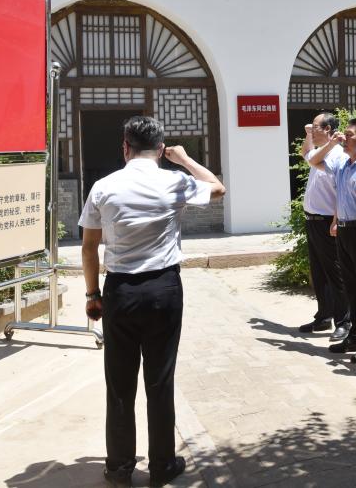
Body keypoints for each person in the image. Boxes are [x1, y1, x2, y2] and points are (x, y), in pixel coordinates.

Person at [80, 116, 226, 487]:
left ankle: (119, 467)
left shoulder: (104, 187)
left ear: (125, 147)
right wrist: (185, 159)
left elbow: (89, 247)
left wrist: (93, 294)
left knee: (119, 383)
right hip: (163, 290)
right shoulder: (175, 181)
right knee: (160, 380)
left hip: (120, 291)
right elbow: (217, 188)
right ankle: (161, 465)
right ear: (161, 150)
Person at [309, 118, 356, 364]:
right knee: (352, 287)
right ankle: (355, 336)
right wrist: (332, 143)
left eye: (350, 135)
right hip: (344, 230)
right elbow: (313, 161)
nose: (345, 137)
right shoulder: (343, 164)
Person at [298, 113, 351, 341]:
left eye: (316, 126)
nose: (312, 129)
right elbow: (305, 154)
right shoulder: (321, 152)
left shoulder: (338, 155)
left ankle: (344, 321)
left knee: (335, 273)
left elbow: (342, 192)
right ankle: (323, 316)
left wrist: (336, 220)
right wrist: (309, 134)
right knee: (319, 272)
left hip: (328, 221)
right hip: (313, 220)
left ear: (328, 129)